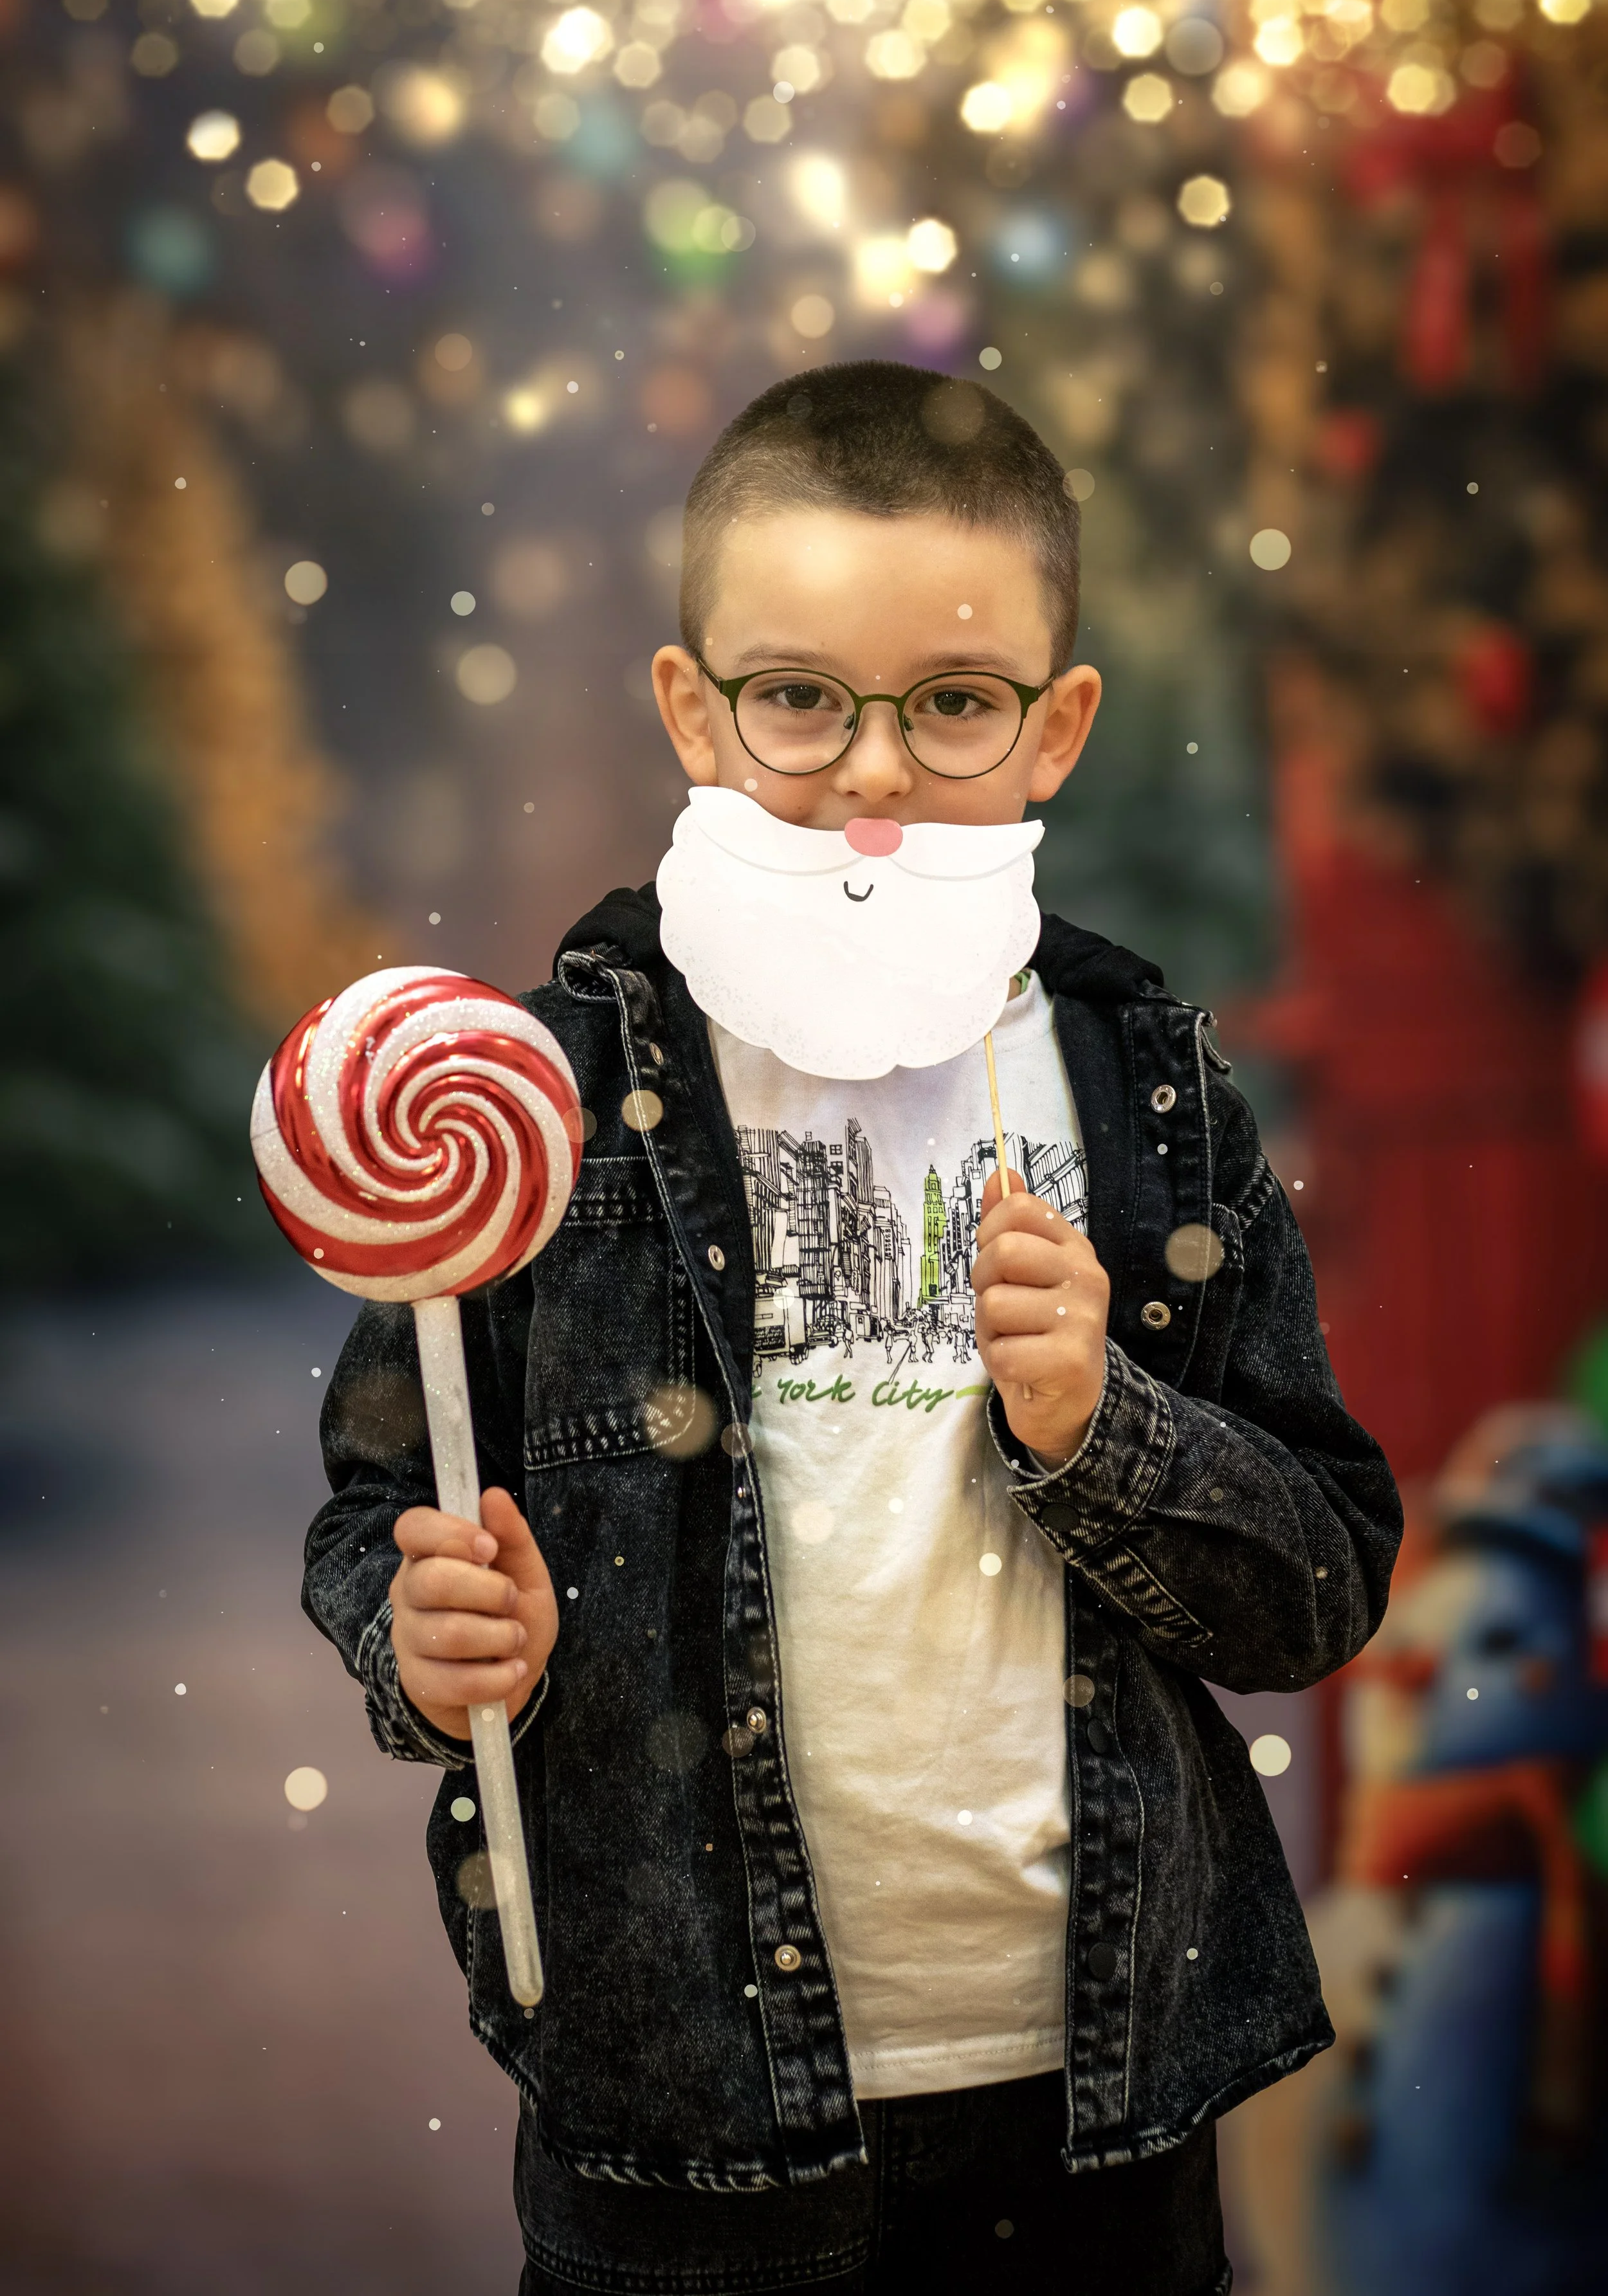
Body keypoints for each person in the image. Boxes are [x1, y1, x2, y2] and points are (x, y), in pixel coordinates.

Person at [305, 361, 1401, 2295]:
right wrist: (423, 1639)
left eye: (954, 703)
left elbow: (1313, 1594)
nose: (876, 769)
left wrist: (1105, 1424)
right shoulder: (534, 1097)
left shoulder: (1141, 1086)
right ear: (689, 706)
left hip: (1095, 2092)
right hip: (679, 2103)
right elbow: (374, 1513)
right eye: (799, 696)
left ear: (1054, 726)